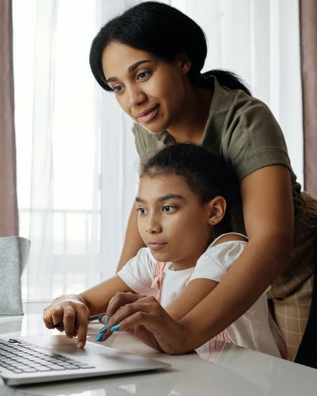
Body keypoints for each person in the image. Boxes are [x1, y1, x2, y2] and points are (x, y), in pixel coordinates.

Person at [87, 1, 317, 358]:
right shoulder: (149, 127)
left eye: (142, 75)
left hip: (289, 270)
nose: (133, 100)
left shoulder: (245, 120)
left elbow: (272, 241)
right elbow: (147, 206)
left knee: (293, 381)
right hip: (217, 268)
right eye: (117, 87)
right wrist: (119, 295)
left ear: (183, 62)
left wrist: (185, 332)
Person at [43, 143, 285, 358]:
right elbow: (87, 299)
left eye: (168, 208)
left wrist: (119, 317)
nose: (150, 226)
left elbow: (168, 327)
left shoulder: (229, 252)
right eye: (142, 210)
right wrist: (68, 303)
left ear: (213, 211)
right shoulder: (153, 261)